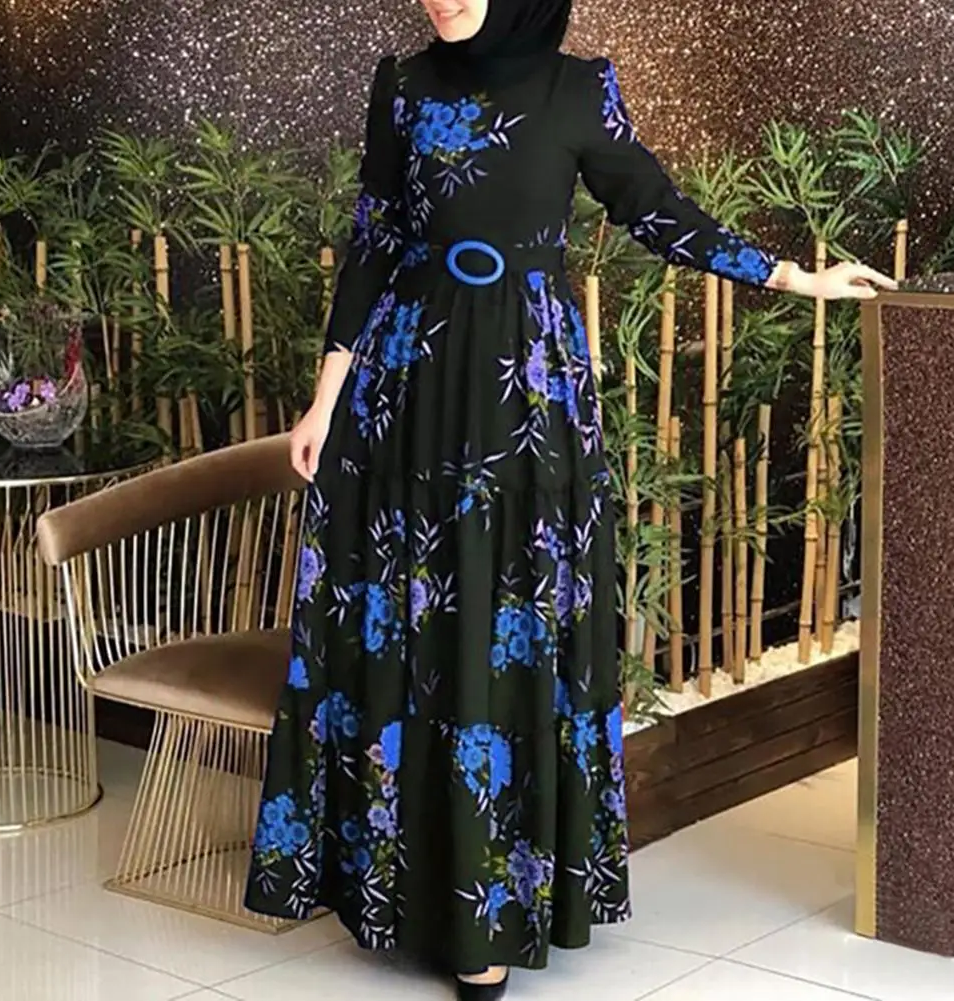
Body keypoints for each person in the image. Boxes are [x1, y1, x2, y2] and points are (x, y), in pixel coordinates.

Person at [244, 1, 895, 997]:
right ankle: (404, 885)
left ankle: (493, 905)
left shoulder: (577, 88)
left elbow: (654, 208)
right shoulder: (402, 86)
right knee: (415, 626)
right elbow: (372, 243)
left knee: (508, 624)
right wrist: (324, 402)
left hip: (525, 390)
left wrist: (793, 278)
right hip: (407, 390)